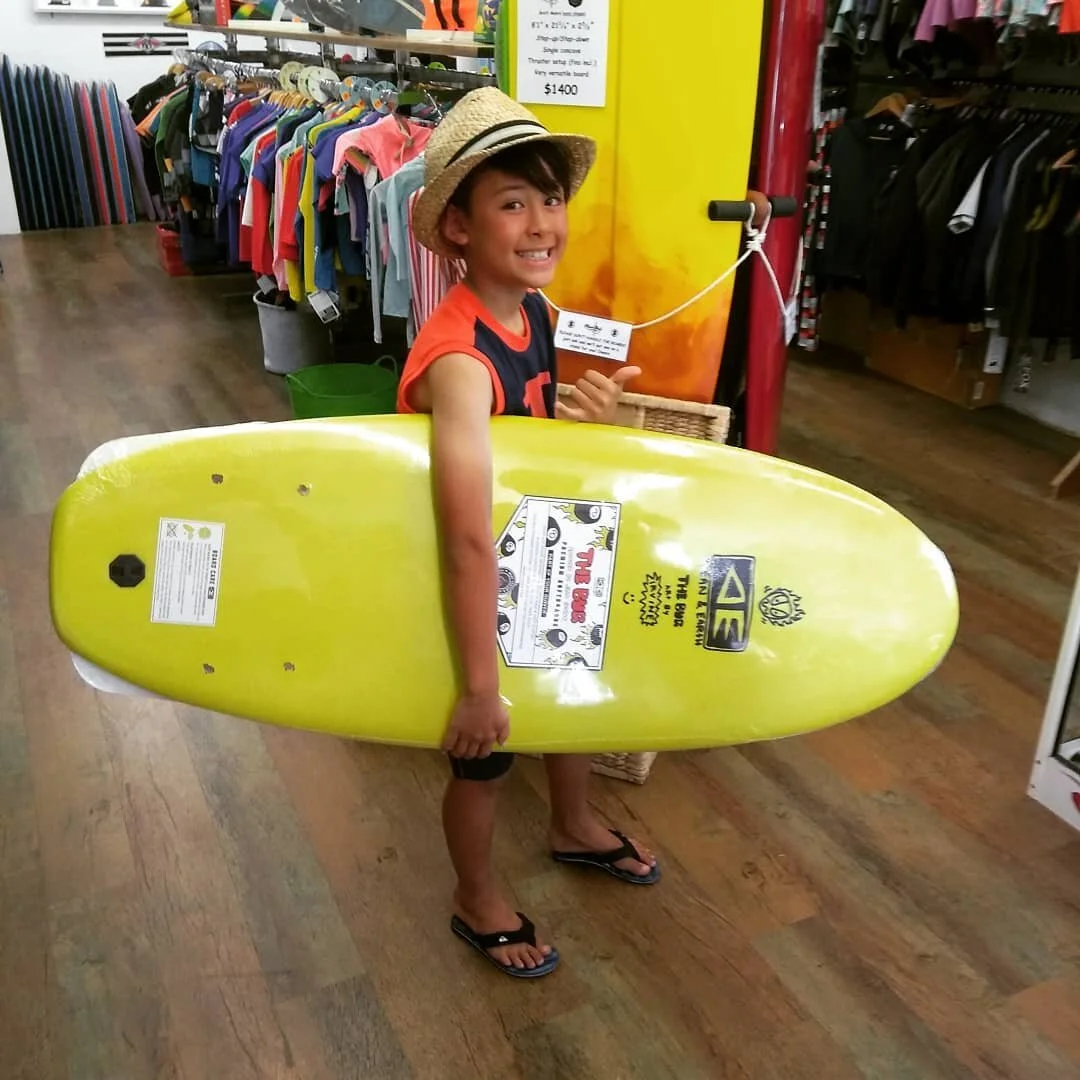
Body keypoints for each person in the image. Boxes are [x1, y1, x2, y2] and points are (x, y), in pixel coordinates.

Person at [396, 87, 660, 979]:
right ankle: (476, 896)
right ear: (461, 228)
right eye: (513, 202)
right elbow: (467, 537)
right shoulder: (461, 360)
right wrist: (478, 686)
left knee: (574, 692)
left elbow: (529, 460)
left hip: (539, 561)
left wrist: (587, 423)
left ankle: (574, 824)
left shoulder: (535, 316)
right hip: (476, 583)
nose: (544, 221)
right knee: (484, 758)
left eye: (551, 199)